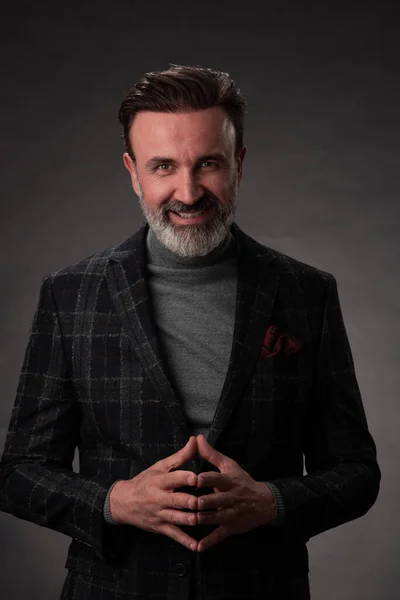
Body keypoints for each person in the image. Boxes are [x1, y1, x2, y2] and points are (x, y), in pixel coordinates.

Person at [0, 64, 380, 600]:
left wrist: (272, 503)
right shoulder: (70, 295)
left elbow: (357, 473)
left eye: (208, 164)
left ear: (239, 165)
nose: (188, 190)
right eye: (163, 167)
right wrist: (115, 503)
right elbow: (17, 473)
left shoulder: (307, 293)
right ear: (133, 172)